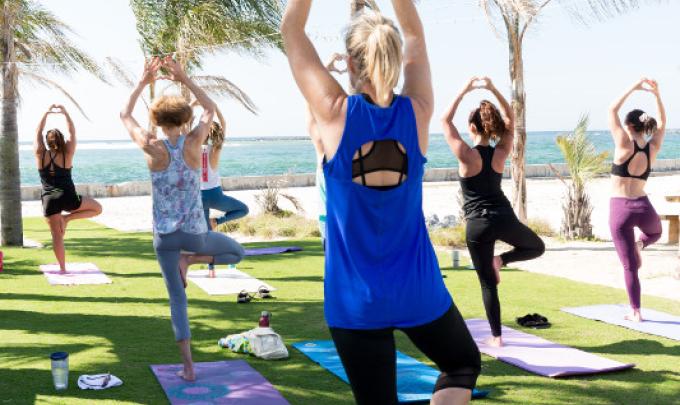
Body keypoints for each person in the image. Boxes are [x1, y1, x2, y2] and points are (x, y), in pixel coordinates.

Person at [281, 2, 481, 404]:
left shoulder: (335, 113)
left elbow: (292, 32)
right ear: (393, 60)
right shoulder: (418, 112)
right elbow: (416, 39)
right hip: (418, 291)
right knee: (461, 364)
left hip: (355, 302)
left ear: (352, 66)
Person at [120, 56, 244, 381]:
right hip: (194, 235)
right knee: (236, 252)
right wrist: (185, 78)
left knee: (178, 299)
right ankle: (191, 258)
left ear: (158, 120)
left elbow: (124, 114)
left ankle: (188, 367)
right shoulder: (193, 142)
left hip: (164, 238)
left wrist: (143, 83)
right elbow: (211, 109)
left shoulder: (150, 146)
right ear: (184, 118)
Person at [441, 77, 545, 347]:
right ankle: (503, 260)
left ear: (472, 127)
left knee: (488, 284)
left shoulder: (465, 153)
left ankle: (497, 337)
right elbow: (511, 120)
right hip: (504, 218)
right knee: (536, 247)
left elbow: (445, 121)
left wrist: (464, 89)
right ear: (491, 127)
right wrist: (492, 89)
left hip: (478, 225)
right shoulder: (501, 151)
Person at [608, 78, 666, 322]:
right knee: (655, 233)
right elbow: (663, 123)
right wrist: (657, 95)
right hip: (643, 206)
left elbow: (612, 109)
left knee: (630, 266)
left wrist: (632, 87)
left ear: (629, 126)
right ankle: (640, 245)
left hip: (620, 209)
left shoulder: (623, 143)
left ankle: (635, 311)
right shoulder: (652, 147)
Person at [34, 104, 102, 272]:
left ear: (48, 142)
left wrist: (46, 112)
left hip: (49, 199)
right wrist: (65, 113)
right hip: (68, 197)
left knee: (57, 236)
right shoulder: (67, 154)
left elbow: (37, 132)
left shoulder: (40, 154)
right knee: (97, 208)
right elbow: (73, 132)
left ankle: (63, 269)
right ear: (62, 140)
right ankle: (68, 219)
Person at [195, 103, 249, 277]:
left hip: (199, 197)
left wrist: (192, 106)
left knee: (206, 236)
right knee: (243, 209)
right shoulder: (215, 150)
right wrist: (215, 107)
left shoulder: (193, 147)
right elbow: (224, 123)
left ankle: (211, 270)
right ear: (217, 135)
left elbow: (186, 125)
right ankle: (217, 222)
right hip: (215, 195)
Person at [306, 53, 347, 250]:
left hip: (335, 220)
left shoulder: (324, 153)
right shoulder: (338, 154)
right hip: (338, 220)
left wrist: (325, 70)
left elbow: (310, 110)